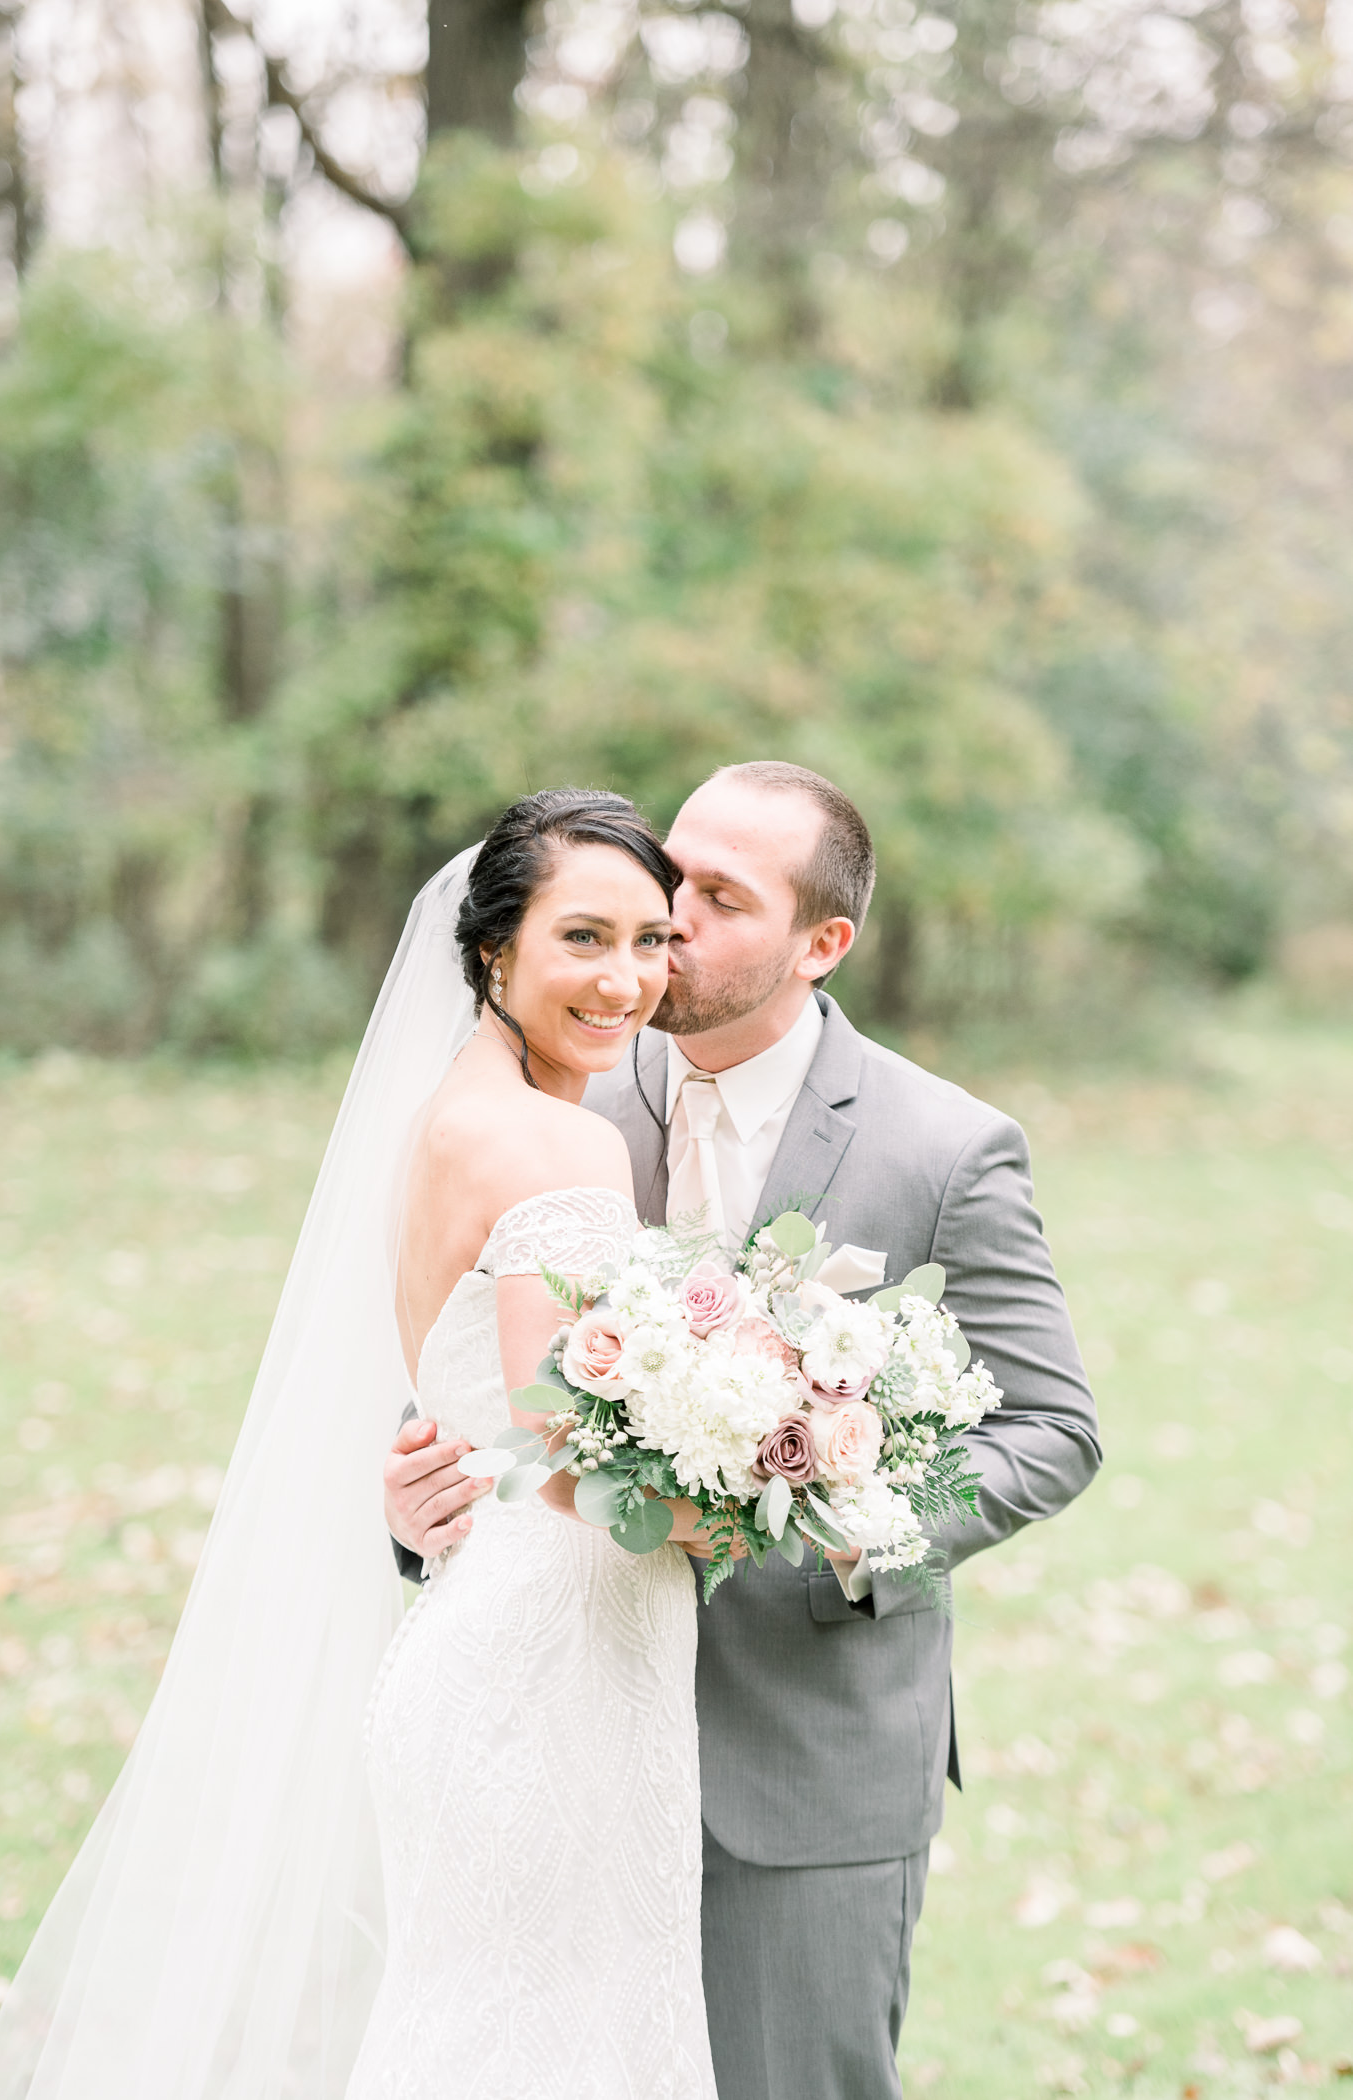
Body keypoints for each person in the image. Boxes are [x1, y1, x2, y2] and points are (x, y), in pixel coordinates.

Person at [0, 789, 718, 2100]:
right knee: (548, 2043)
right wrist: (773, 1490)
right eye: (584, 938)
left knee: (481, 2027)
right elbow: (567, 1438)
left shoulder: (434, 1122)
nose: (627, 978)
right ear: (495, 951)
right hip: (553, 1658)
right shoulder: (560, 1139)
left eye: (653, 942)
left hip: (485, 1626)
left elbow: (475, 1403)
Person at [386, 759, 1103, 2100]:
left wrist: (841, 1526)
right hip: (561, 1725)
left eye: (715, 898)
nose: (668, 921)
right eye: (669, 879)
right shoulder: (567, 1092)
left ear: (820, 944)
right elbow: (479, 1369)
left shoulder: (945, 1148)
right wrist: (417, 1494)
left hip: (803, 1755)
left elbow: (1051, 1428)